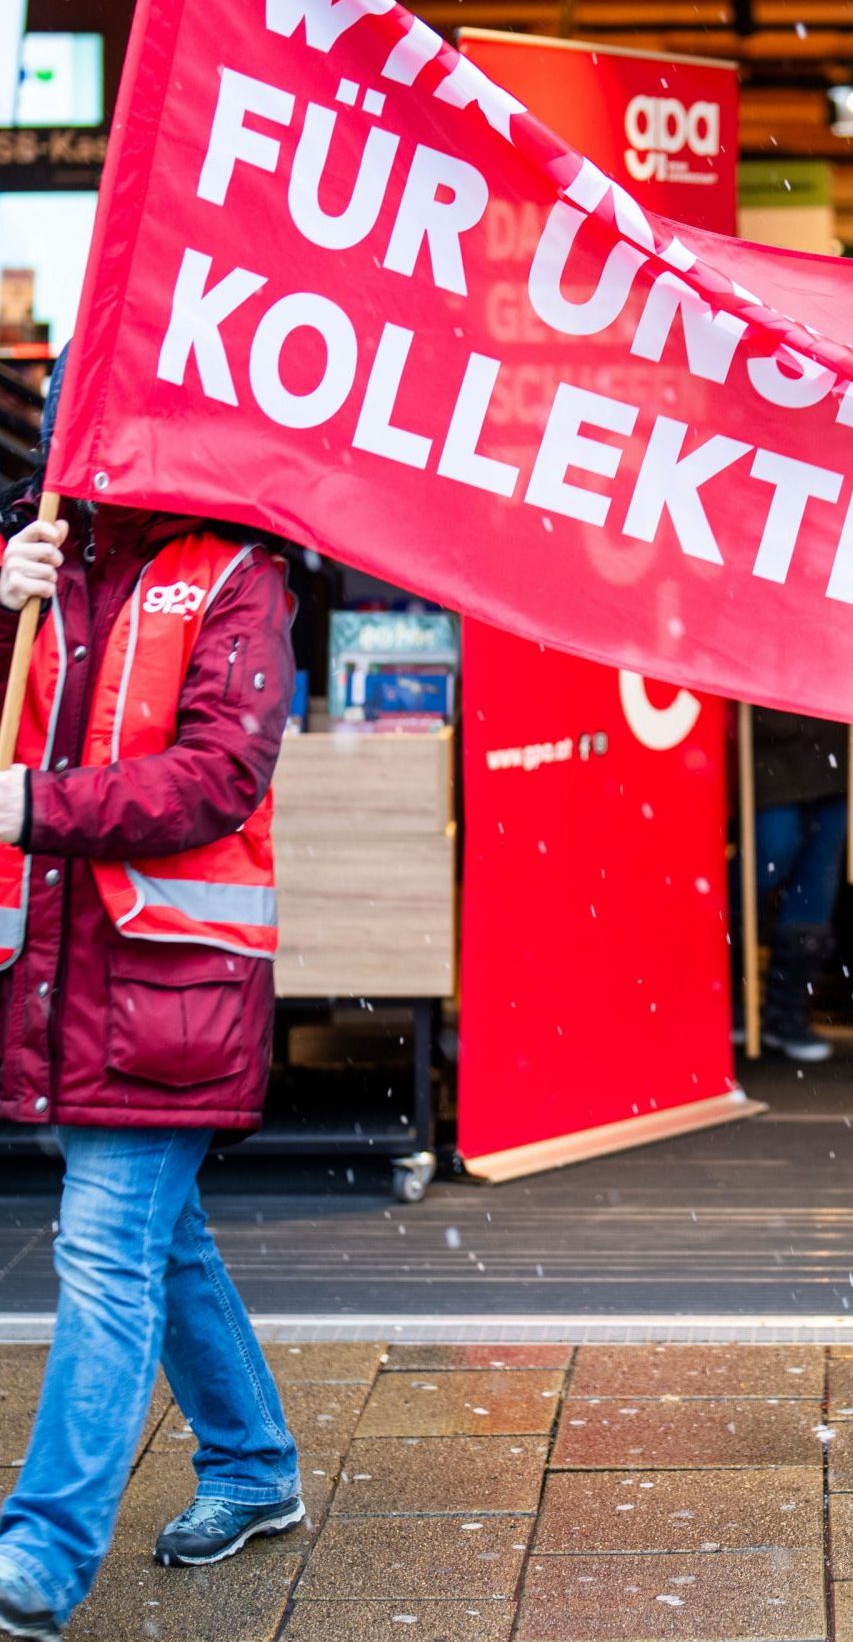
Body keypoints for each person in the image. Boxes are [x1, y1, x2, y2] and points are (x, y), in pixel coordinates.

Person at [0, 363, 302, 1641]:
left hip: (170, 989)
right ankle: (255, 1464)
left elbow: (221, 772)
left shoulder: (238, 568)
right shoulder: (35, 559)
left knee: (105, 1248)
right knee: (155, 1240)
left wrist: (36, 806)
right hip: (58, 981)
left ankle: (38, 1554)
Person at [740, 706, 849, 1062]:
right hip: (769, 737)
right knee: (771, 855)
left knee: (817, 874)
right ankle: (731, 991)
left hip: (832, 737)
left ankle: (787, 1009)